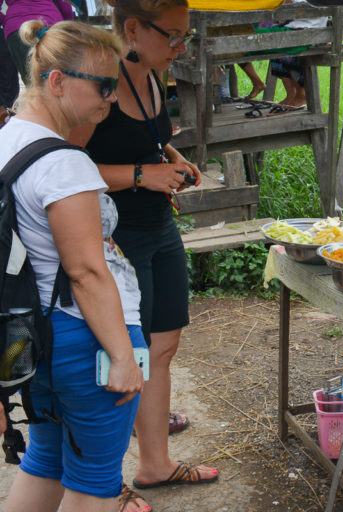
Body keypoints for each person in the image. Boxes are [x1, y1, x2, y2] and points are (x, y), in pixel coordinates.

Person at [70, 1, 217, 509]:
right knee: (124, 354)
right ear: (133, 28)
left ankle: (155, 463)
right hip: (117, 234)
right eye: (173, 36)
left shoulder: (156, 76)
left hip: (158, 225)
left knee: (162, 347)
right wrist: (139, 175)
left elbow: (151, 143)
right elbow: (73, 167)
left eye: (185, 37)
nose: (181, 47)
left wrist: (171, 162)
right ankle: (104, 484)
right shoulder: (103, 84)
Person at [0, 19, 146, 512]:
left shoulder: (8, 139)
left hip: (36, 337)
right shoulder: (65, 165)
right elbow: (86, 272)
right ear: (57, 81)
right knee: (96, 479)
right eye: (103, 84)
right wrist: (123, 356)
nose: (111, 96)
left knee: (46, 459)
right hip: (85, 342)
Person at [3, 0, 75, 85]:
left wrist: (7, 20)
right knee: (58, 80)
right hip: (49, 23)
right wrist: (68, 27)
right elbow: (64, 4)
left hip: (16, 29)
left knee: (32, 83)